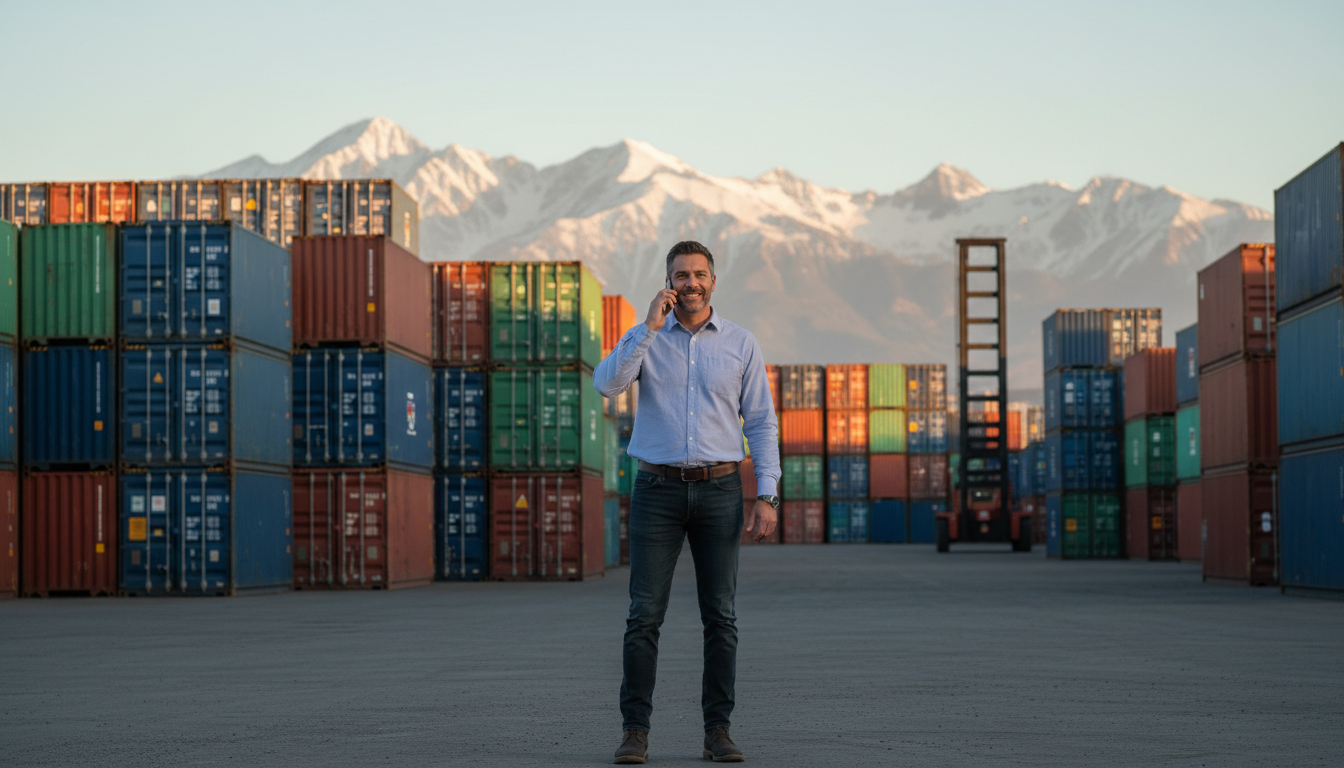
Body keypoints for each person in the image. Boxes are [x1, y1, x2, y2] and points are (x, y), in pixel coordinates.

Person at [594, 240, 781, 764]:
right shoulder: (646, 338)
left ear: (713, 282)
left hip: (722, 489)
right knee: (643, 616)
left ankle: (717, 730)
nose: (690, 282)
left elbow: (762, 422)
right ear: (668, 282)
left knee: (720, 616)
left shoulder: (742, 343)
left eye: (699, 274)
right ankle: (635, 732)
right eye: (681, 275)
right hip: (657, 490)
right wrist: (647, 328)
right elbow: (607, 386)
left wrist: (766, 493)